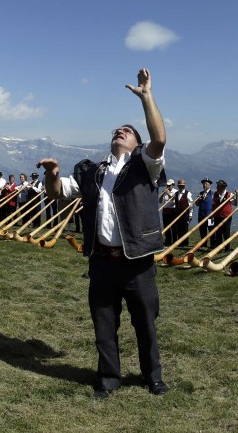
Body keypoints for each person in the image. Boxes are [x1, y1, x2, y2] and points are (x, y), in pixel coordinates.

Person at [39, 68, 168, 399]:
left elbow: (160, 139)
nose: (121, 132)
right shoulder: (92, 173)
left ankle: (152, 376)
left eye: (128, 131)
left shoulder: (146, 165)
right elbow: (56, 193)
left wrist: (146, 97)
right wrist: (52, 174)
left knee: (146, 324)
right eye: (117, 130)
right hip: (102, 262)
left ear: (138, 143)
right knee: (104, 325)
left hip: (136, 262)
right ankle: (109, 379)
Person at [210, 180, 235, 248]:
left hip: (226, 216)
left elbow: (235, 203)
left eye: (218, 186)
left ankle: (227, 248)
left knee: (226, 232)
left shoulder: (230, 194)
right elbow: (213, 205)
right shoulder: (215, 194)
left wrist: (237, 195)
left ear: (223, 187)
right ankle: (219, 248)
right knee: (218, 232)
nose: (217, 187)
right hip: (217, 216)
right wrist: (212, 215)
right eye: (217, 186)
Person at [195, 179, 214, 243]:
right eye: (203, 184)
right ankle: (203, 243)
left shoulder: (212, 194)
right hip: (201, 215)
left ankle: (213, 243)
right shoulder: (200, 193)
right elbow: (196, 204)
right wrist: (198, 199)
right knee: (202, 230)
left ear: (209, 185)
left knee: (211, 229)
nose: (204, 185)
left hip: (210, 215)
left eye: (206, 184)